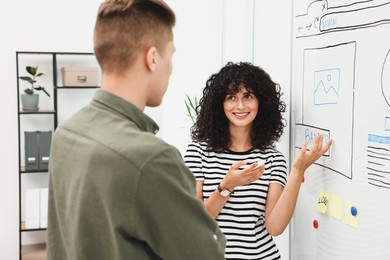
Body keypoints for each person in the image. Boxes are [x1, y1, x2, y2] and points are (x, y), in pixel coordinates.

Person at [47, 1, 226, 259]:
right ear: (153, 58)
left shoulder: (66, 133)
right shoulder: (151, 159)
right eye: (171, 55)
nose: (171, 68)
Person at [184, 61, 333, 260]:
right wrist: (227, 186)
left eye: (248, 96)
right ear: (220, 104)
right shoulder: (199, 152)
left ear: (261, 101)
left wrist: (297, 172)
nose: (240, 105)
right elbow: (195, 222)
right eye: (231, 97)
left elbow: (275, 227)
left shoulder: (272, 158)